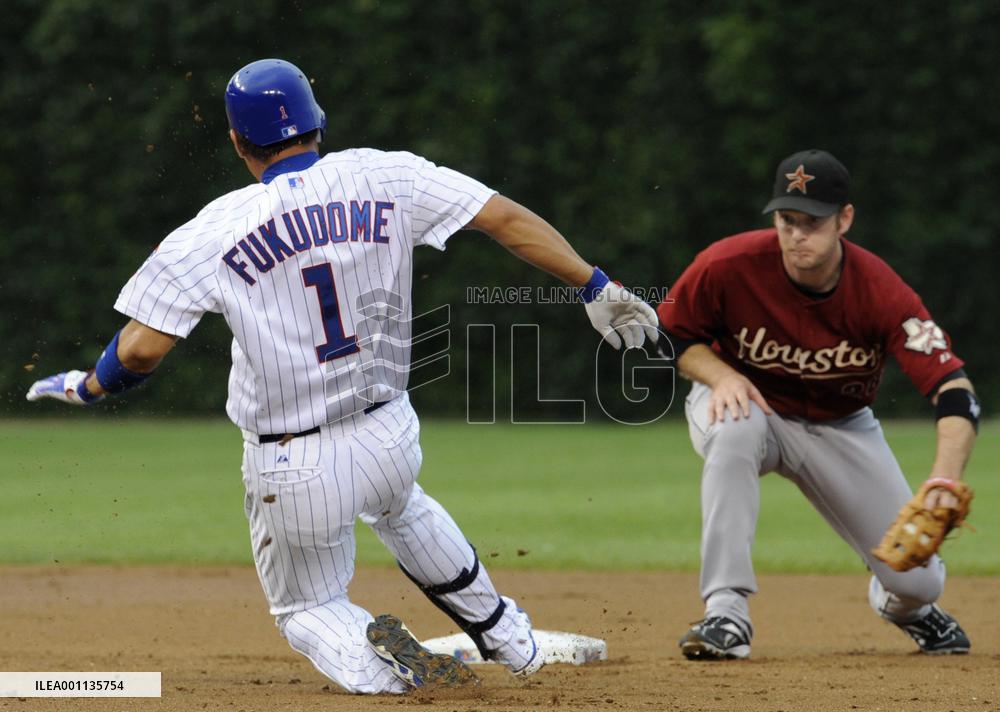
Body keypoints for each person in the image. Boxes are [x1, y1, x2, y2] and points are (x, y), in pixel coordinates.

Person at [26, 58, 658, 692]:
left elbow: (140, 350)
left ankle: (397, 676)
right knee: (404, 508)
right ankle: (512, 642)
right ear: (317, 123)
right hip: (388, 434)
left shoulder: (213, 230)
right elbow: (506, 220)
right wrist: (595, 285)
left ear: (238, 142)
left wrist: (90, 385)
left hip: (293, 461)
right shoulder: (385, 174)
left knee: (305, 608)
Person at [656, 149, 978, 660]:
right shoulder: (727, 265)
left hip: (841, 426)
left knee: (919, 582)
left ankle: (906, 608)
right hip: (750, 408)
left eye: (813, 222)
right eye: (787, 220)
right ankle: (726, 612)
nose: (797, 235)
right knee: (736, 426)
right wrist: (721, 375)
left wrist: (943, 477)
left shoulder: (881, 291)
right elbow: (670, 336)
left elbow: (954, 390)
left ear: (844, 219)